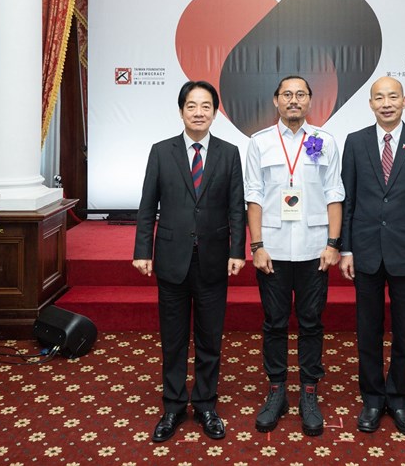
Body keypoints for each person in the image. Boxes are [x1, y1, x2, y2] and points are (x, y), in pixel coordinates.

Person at [133, 80, 246, 443]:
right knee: (174, 339)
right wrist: (141, 251)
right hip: (171, 259)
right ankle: (173, 406)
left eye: (206, 106)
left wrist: (236, 251)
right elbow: (148, 206)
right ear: (181, 110)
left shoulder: (229, 153)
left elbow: (236, 209)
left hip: (214, 259)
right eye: (192, 106)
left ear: (215, 111)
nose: (199, 112)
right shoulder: (161, 151)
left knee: (210, 338)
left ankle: (206, 404)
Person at [340, 76, 405, 435]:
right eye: (379, 97)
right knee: (367, 330)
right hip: (365, 251)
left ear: (404, 101)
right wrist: (346, 248)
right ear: (370, 103)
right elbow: (348, 200)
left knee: (403, 332)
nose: (386, 103)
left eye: (392, 97)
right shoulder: (354, 142)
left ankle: (399, 400)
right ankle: (371, 398)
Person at [244, 75, 345, 436]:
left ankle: (308, 393)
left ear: (309, 101)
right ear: (275, 101)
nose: (293, 100)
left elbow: (335, 193)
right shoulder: (260, 143)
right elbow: (253, 195)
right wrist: (256, 246)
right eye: (287, 94)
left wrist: (333, 243)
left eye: (301, 94)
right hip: (271, 249)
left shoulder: (324, 142)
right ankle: (276, 391)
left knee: (311, 322)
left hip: (314, 249)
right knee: (273, 322)